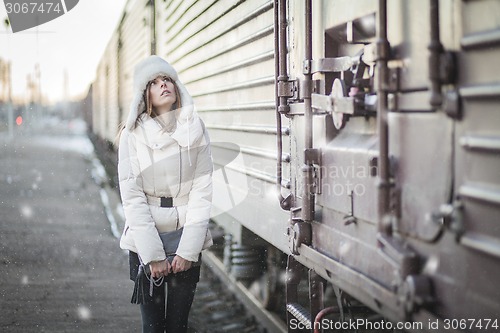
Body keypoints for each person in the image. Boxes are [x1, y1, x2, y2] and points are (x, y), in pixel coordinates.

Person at [117, 55, 213, 333]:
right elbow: (132, 197)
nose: (163, 85)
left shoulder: (196, 128)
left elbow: (202, 191)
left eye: (167, 79)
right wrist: (153, 255)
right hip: (146, 239)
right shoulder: (132, 135)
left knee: (178, 326)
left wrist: (188, 250)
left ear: (177, 86)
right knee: (153, 326)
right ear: (144, 93)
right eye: (155, 82)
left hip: (186, 234)